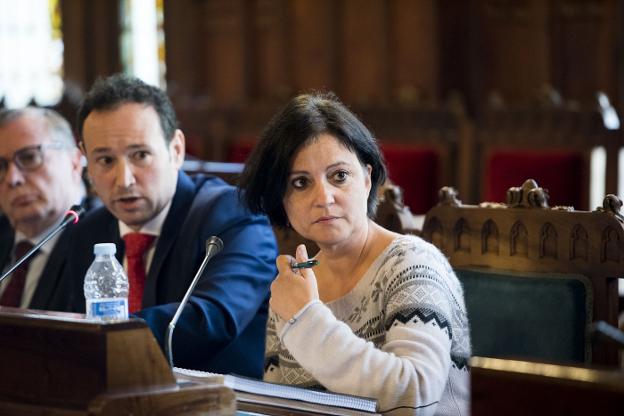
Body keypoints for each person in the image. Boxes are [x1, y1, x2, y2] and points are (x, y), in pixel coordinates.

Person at [239, 93, 471, 415]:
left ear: (367, 178)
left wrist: (306, 319)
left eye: (339, 176)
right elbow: (279, 405)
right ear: (282, 200)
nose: (324, 197)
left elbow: (415, 396)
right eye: (301, 182)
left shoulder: (414, 264)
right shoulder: (295, 283)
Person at [63, 74, 277, 377]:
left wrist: (95, 338)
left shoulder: (233, 215)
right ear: (86, 162)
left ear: (176, 150)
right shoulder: (88, 231)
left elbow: (214, 319)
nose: (124, 179)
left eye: (140, 155)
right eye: (106, 160)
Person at [0, 107, 89, 311]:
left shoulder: (105, 236)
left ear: (74, 163)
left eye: (29, 158)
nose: (12, 179)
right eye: (0, 166)